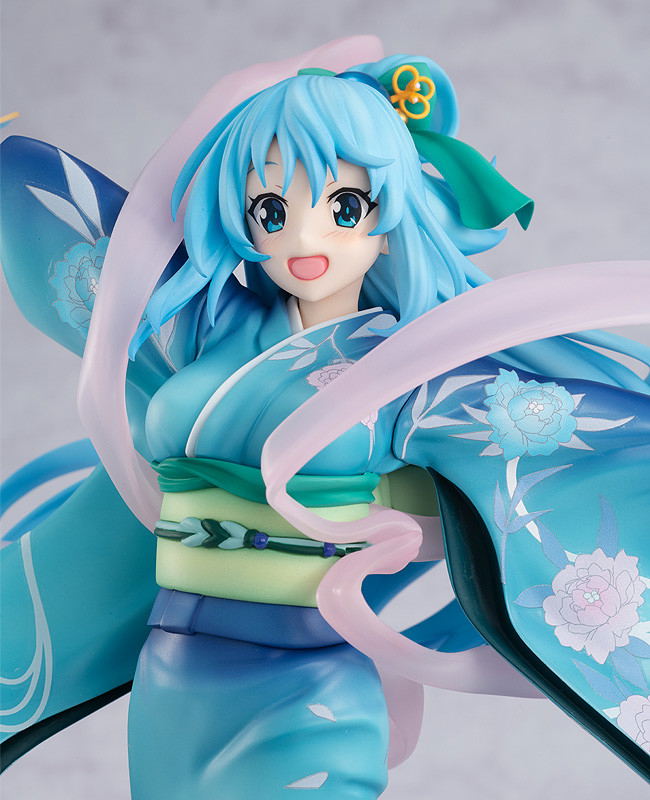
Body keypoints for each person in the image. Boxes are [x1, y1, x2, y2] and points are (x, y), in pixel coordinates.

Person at [1, 36, 649, 797]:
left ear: (391, 212)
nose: (305, 238)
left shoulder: (415, 368)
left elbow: (568, 447)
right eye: (272, 210)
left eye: (344, 207)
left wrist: (397, 518)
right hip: (174, 675)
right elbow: (84, 243)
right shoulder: (205, 331)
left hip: (307, 686)